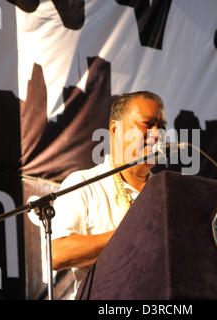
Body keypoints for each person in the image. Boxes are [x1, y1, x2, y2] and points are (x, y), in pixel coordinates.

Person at [51, 91, 167, 299]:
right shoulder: (84, 185)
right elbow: (57, 253)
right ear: (115, 129)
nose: (157, 134)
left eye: (162, 126)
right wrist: (132, 235)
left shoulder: (167, 193)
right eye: (147, 124)